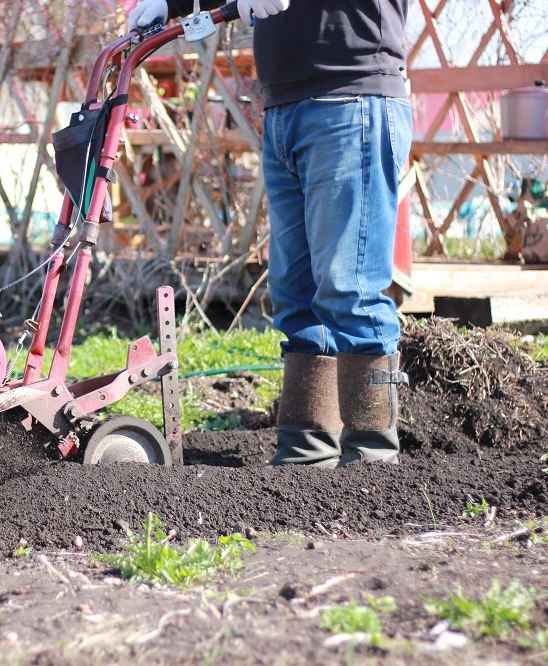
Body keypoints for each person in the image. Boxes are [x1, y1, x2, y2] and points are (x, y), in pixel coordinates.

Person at [127, 0, 412, 467]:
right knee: (295, 294)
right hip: (283, 107)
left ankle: (372, 458)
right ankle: (305, 452)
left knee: (350, 288)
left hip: (351, 95)